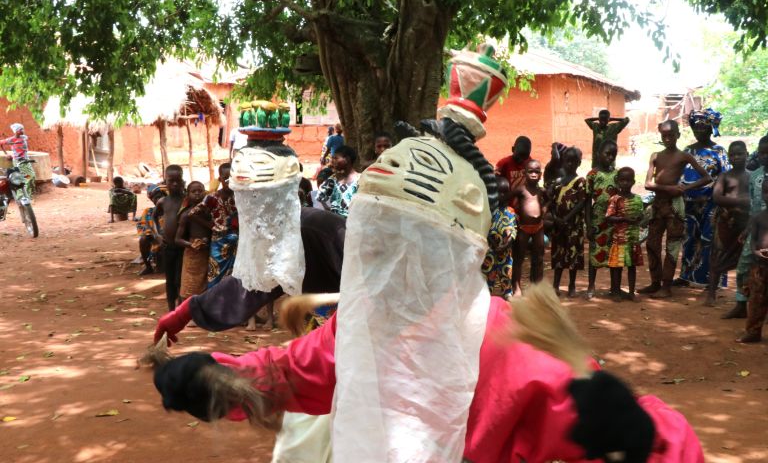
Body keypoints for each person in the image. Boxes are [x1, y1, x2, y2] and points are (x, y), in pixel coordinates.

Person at [152, 135, 704, 463]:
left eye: (406, 243)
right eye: (381, 241)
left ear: (449, 251)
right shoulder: (363, 328)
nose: (389, 258)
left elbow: (671, 447)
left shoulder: (512, 346)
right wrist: (212, 377)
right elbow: (292, 372)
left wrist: (636, 431)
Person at [641, 120, 712, 299]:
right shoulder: (655, 156)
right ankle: (655, 282)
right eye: (664, 135)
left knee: (672, 245)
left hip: (675, 205)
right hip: (658, 204)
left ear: (678, 135)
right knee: (652, 244)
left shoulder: (684, 156)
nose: (667, 139)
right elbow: (648, 184)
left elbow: (706, 177)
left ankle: (666, 286)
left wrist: (685, 188)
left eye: (670, 135)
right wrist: (668, 189)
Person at [674, 109, 730, 288]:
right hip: (688, 204)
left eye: (702, 128)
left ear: (711, 129)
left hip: (710, 204)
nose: (698, 132)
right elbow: (677, 173)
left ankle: (711, 280)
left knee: (709, 240)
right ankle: (686, 275)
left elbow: (725, 176)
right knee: (689, 239)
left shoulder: (718, 151)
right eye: (695, 128)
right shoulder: (688, 150)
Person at [725, 136, 768, 319]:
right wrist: (747, 229)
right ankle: (741, 304)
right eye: (761, 152)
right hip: (757, 229)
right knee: (743, 267)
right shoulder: (755, 175)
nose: (764, 156)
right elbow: (753, 205)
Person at [705, 141, 750, 307]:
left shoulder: (752, 176)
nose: (736, 157)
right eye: (732, 154)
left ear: (747, 153)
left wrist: (746, 204)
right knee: (717, 257)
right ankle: (711, 294)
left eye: (739, 154)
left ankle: (744, 299)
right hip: (727, 223)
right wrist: (740, 201)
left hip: (746, 224)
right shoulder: (725, 176)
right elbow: (717, 197)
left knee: (746, 262)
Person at [188, 163, 238, 289]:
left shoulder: (240, 196)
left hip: (238, 241)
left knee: (236, 276)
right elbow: (193, 214)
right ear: (220, 179)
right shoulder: (212, 197)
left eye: (232, 178)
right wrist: (211, 226)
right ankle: (215, 305)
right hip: (219, 241)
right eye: (226, 178)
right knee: (215, 276)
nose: (229, 181)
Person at [551, 147, 587, 298]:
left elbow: (581, 203)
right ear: (563, 162)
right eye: (567, 161)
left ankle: (572, 285)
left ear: (579, 163)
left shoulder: (580, 182)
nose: (570, 164)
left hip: (574, 225)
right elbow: (551, 202)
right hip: (558, 226)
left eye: (574, 162)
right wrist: (555, 218)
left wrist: (567, 218)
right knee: (559, 255)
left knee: (573, 256)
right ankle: (556, 285)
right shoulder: (557, 182)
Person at [605, 167, 644, 302]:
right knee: (617, 266)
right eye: (622, 180)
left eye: (628, 180)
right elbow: (609, 217)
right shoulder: (615, 199)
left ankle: (631, 292)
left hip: (633, 239)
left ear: (633, 181)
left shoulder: (638, 199)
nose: (625, 183)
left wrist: (639, 219)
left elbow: (641, 216)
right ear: (617, 181)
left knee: (631, 266)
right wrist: (624, 219)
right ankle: (616, 291)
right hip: (619, 240)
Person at [586, 140, 618, 297]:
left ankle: (614, 288)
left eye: (613, 154)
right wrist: (588, 223)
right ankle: (591, 287)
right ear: (599, 154)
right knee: (594, 252)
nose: (610, 157)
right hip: (598, 218)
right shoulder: (592, 175)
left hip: (614, 219)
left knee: (613, 253)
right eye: (607, 153)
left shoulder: (617, 174)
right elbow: (586, 202)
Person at [153, 164, 187, 311]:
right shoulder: (163, 202)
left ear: (182, 182)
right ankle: (171, 307)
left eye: (177, 181)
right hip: (167, 246)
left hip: (183, 246)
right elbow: (153, 218)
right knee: (169, 279)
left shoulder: (187, 200)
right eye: (171, 181)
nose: (174, 184)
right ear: (165, 182)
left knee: (180, 278)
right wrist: (157, 235)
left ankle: (180, 307)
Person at [510, 159, 546, 296]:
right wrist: (513, 212)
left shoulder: (541, 191)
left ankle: (536, 287)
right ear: (524, 174)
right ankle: (516, 287)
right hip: (523, 228)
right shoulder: (520, 190)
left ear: (541, 175)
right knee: (519, 258)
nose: (534, 174)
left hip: (538, 228)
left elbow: (549, 200)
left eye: (537, 172)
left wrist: (545, 208)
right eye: (530, 171)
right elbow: (507, 199)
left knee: (539, 258)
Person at [739, 180, 768, 343]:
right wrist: (756, 250)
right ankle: (753, 332)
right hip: (760, 265)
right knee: (757, 299)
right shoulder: (758, 218)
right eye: (765, 192)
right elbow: (753, 240)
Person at [481, 176, 517, 298]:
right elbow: (485, 228)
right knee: (488, 271)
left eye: (505, 192)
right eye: (499, 192)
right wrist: (493, 243)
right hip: (490, 249)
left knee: (506, 272)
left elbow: (513, 231)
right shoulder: (488, 211)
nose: (502, 195)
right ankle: (487, 293)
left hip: (505, 251)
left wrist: (505, 245)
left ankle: (507, 293)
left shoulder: (511, 212)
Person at [175, 181, 211, 298]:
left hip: (210, 252)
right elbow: (178, 239)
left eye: (200, 191)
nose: (197, 194)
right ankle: (188, 313)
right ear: (188, 194)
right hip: (193, 255)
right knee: (189, 288)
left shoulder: (210, 212)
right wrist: (192, 245)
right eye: (193, 191)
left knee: (208, 287)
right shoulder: (185, 215)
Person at [316, 145, 359, 217]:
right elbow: (320, 197)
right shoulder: (332, 179)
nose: (332, 161)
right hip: (336, 224)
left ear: (347, 159)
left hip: (354, 222)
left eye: (336, 158)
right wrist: (327, 209)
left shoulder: (360, 180)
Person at [136, 184, 166, 276]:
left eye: (161, 197)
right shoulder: (148, 212)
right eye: (155, 198)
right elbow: (142, 227)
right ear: (152, 200)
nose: (158, 200)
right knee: (143, 239)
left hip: (170, 240)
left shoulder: (172, 211)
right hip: (154, 240)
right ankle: (148, 267)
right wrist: (155, 236)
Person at [0, 122, 35, 199]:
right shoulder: (12, 139)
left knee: (30, 176)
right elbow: (1, 143)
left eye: (22, 129)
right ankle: (22, 195)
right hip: (19, 161)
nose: (23, 130)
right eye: (20, 129)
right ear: (16, 131)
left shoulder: (24, 137)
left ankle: (25, 195)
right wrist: (6, 154)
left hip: (26, 160)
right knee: (26, 177)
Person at [495, 136, 533, 202]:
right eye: (519, 155)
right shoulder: (503, 163)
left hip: (523, 202)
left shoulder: (529, 161)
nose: (521, 160)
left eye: (525, 156)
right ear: (513, 149)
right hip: (508, 202)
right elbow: (495, 184)